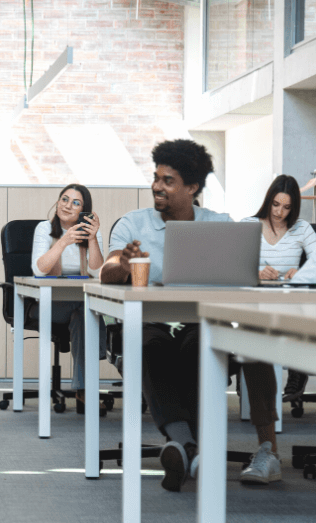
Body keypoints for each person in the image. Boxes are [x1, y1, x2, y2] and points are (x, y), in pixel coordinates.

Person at [100, 139, 281, 491]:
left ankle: (187, 449)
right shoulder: (132, 225)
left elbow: (243, 276)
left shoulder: (221, 224)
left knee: (203, 348)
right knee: (149, 348)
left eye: (168, 180)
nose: (157, 186)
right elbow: (106, 272)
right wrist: (121, 262)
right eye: (156, 178)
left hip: (201, 324)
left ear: (192, 188)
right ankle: (190, 449)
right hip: (151, 323)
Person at [241, 174, 316, 403]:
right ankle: (247, 374)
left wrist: (302, 272)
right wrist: (255, 272)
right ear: (268, 201)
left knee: (300, 319)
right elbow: (233, 266)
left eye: (286, 207)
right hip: (255, 298)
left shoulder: (301, 229)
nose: (279, 212)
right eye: (275, 204)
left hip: (289, 299)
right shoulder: (249, 225)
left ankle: (297, 373)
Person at [30, 184, 105, 414]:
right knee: (89, 310)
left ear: (85, 210)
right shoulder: (44, 229)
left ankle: (83, 390)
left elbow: (97, 272)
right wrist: (63, 241)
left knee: (84, 315)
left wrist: (92, 239)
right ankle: (107, 352)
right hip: (47, 303)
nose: (67, 205)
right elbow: (39, 269)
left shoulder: (91, 233)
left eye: (76, 202)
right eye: (64, 199)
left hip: (78, 305)